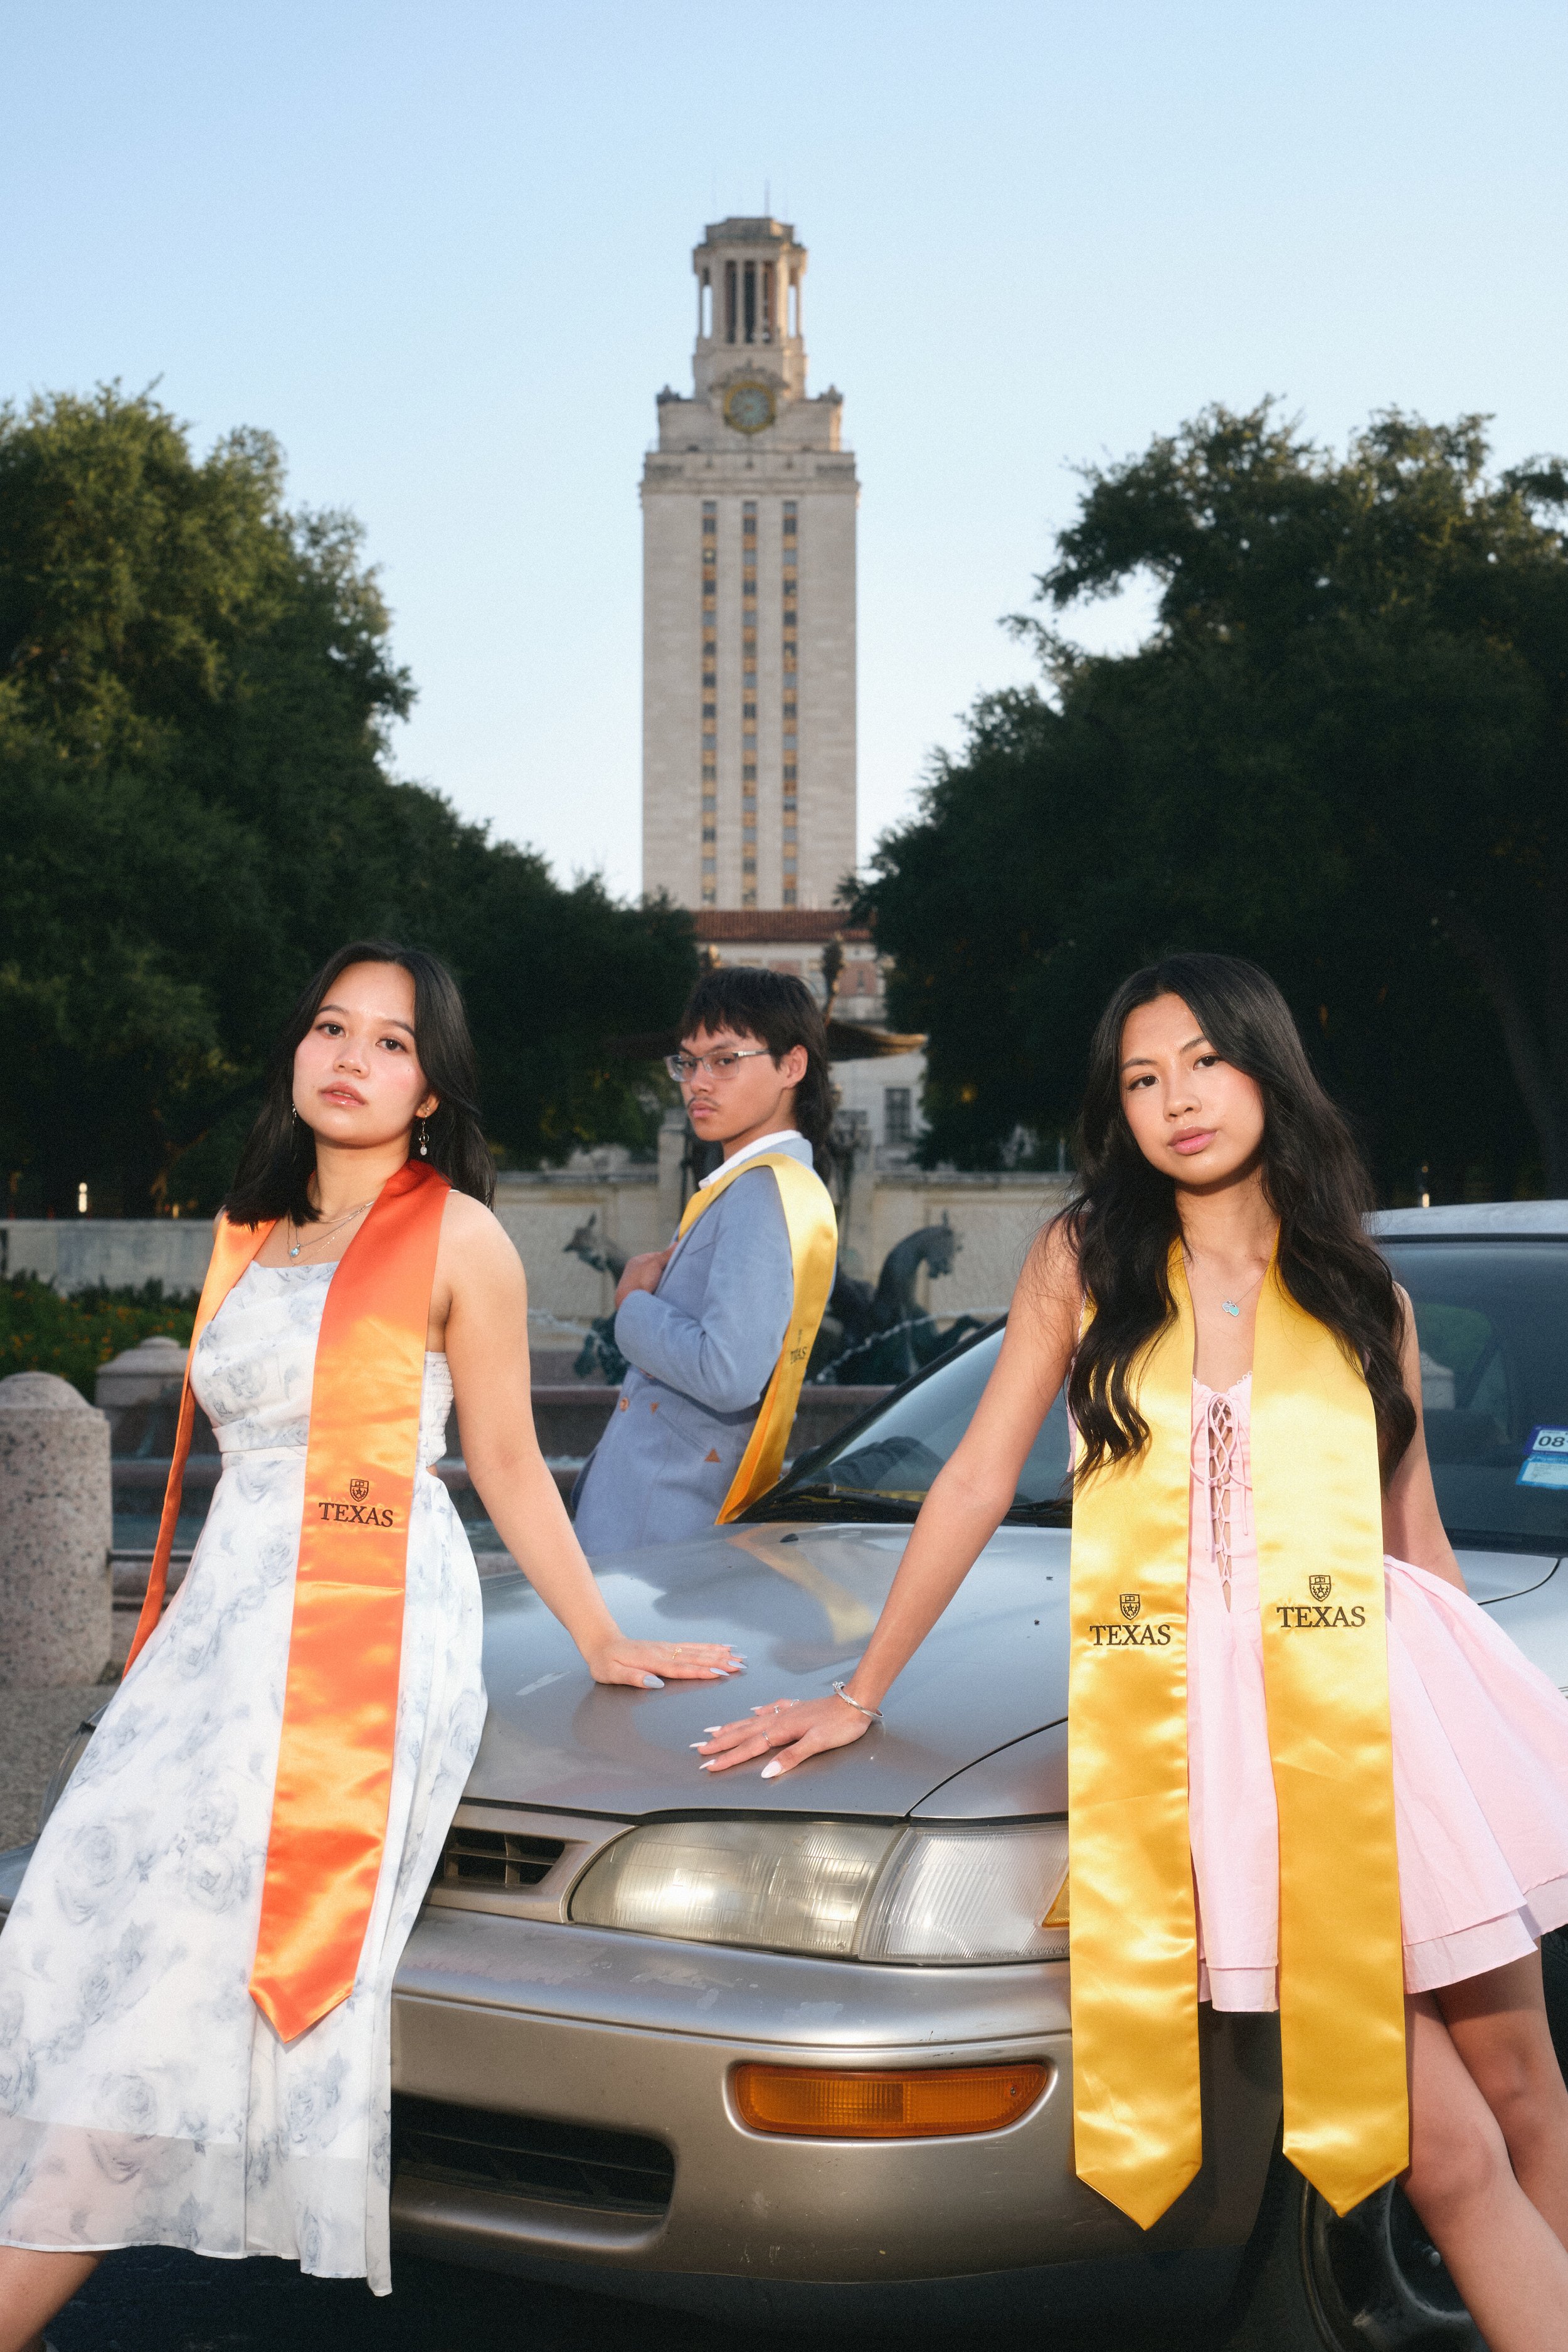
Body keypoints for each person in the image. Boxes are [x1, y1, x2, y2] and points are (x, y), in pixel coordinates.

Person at [699, 952, 1568, 2352]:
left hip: (1384, 1724)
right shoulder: (1086, 1265)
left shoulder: (1363, 1293)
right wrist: (860, 1691)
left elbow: (1413, 1542)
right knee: (1451, 2154)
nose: (1178, 1100)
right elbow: (976, 1477)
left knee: (1528, 2092)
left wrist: (1494, 1750)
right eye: (1143, 1079)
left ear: (1267, 1071)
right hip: (1225, 1752)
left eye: (1205, 1063)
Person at [0, 940, 740, 2349]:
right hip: (222, 1635)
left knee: (167, 1991)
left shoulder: (458, 1237)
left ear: (429, 1088)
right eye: (332, 1028)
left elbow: (508, 1462)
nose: (352, 1058)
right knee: (74, 1943)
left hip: (360, 1627)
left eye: (391, 1042)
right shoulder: (248, 1231)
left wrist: (602, 1636)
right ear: (296, 1051)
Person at [571, 965, 837, 1552]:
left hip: (658, 1526)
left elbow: (729, 1373)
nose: (697, 1083)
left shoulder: (762, 1191)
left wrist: (631, 1306)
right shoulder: (769, 1184)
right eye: (688, 1063)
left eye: (724, 1060)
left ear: (792, 1066)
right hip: (663, 1518)